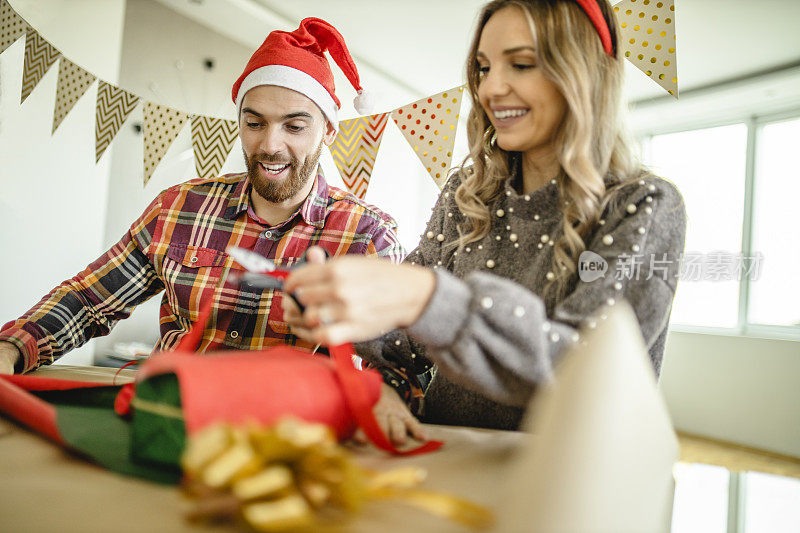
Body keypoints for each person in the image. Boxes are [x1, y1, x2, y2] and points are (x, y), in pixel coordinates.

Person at [282, 0, 687, 437]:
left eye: (522, 64)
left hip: (572, 483)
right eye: (483, 68)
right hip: (453, 458)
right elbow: (403, 345)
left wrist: (427, 297)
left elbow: (582, 371)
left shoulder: (645, 204)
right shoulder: (468, 195)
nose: (491, 88)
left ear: (584, 75)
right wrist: (363, 348)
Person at [0, 18, 404, 375]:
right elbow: (89, 301)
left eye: (294, 127)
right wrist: (11, 347)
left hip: (292, 440)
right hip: (169, 420)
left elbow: (394, 362)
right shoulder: (178, 208)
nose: (270, 144)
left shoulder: (368, 235)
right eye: (254, 122)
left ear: (328, 132)